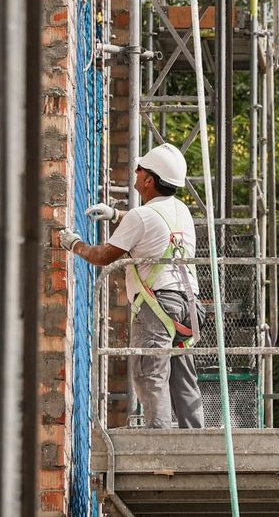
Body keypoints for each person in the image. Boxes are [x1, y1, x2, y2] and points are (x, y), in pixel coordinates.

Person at [59, 143, 205, 428]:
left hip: (158, 308)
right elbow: (152, 224)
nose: (135, 172)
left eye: (140, 170)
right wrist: (115, 215)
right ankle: (195, 437)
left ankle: (158, 443)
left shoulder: (142, 216)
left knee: (150, 375)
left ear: (149, 181)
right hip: (189, 307)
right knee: (182, 377)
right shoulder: (182, 211)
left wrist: (74, 244)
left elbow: (103, 256)